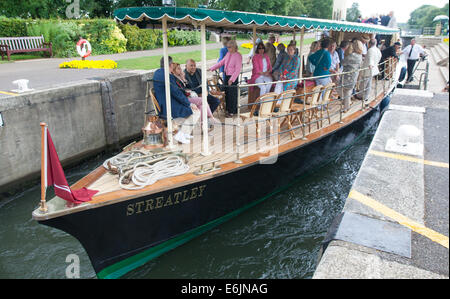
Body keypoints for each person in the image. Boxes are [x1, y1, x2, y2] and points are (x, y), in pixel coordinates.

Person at [153, 56, 200, 144]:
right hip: (170, 107)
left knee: (191, 111)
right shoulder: (167, 76)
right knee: (196, 111)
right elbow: (176, 93)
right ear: (170, 65)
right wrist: (189, 104)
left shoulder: (157, 73)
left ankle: (184, 133)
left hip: (163, 105)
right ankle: (181, 134)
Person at [209, 40, 242, 117]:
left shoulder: (238, 56)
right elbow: (221, 62)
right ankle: (228, 109)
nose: (228, 49)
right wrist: (211, 68)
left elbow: (237, 69)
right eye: (227, 47)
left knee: (232, 95)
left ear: (234, 47)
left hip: (233, 77)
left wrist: (232, 79)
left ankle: (232, 111)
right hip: (226, 75)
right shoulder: (228, 54)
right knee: (227, 93)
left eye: (229, 47)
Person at [339, 40, 363, 111]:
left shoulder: (352, 55)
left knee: (344, 90)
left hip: (348, 76)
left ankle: (346, 106)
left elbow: (343, 62)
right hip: (354, 75)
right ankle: (347, 103)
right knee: (348, 91)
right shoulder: (360, 55)